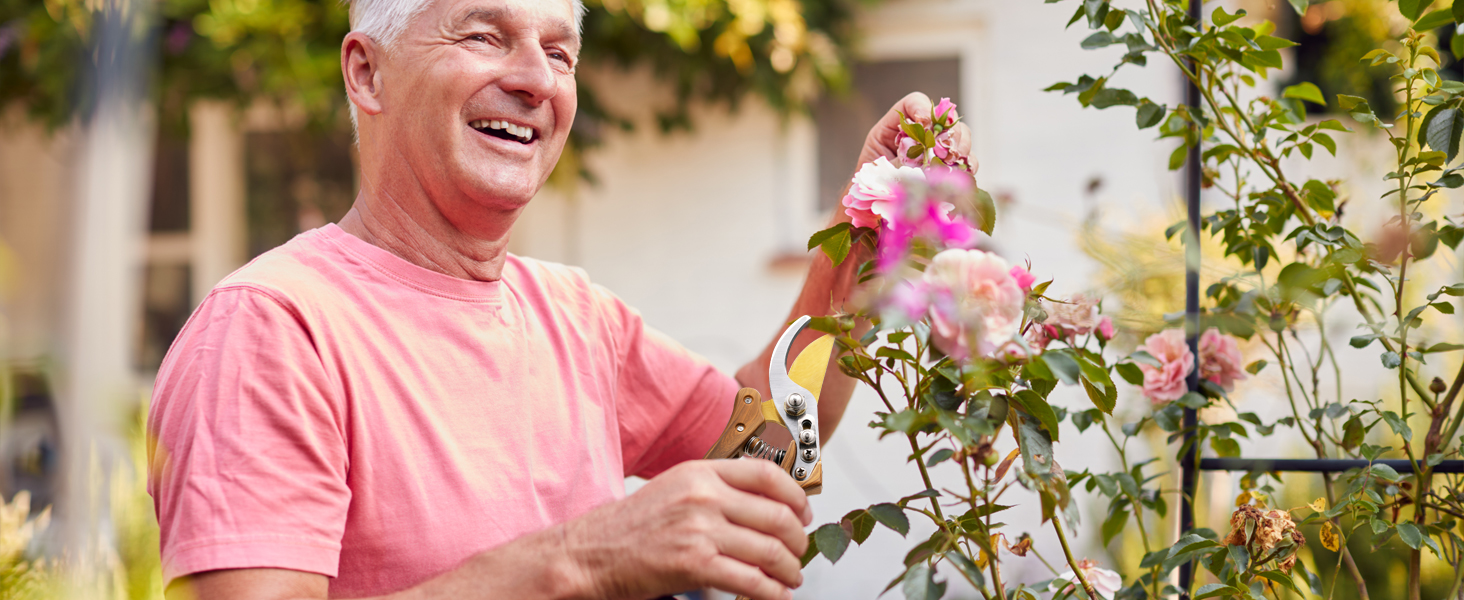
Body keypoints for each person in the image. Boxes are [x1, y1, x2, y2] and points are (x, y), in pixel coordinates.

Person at [146, 0, 972, 598]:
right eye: (485, 34)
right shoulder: (271, 327)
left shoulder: (576, 314)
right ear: (367, 72)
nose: (536, 80)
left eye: (561, 51)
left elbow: (766, 453)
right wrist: (583, 560)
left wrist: (860, 256)